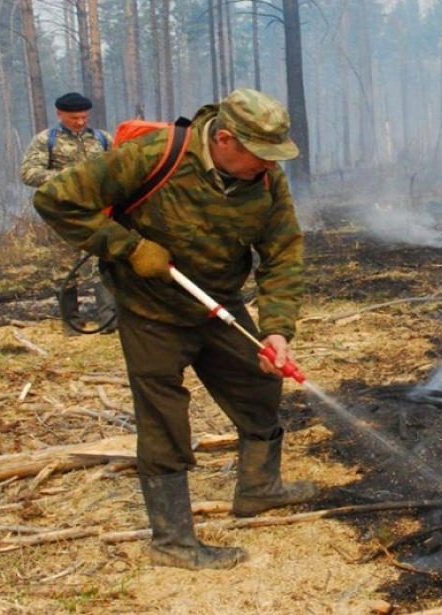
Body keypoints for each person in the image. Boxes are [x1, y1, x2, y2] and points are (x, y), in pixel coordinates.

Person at [32, 89, 317, 570]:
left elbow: (283, 251)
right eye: (260, 157)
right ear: (225, 139)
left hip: (218, 304)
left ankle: (259, 489)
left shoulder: (266, 178)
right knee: (164, 421)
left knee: (258, 387)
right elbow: (55, 199)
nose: (268, 167)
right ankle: (173, 543)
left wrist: (277, 329)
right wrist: (126, 246)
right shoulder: (150, 156)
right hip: (152, 311)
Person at [21, 92, 117, 335]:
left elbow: (119, 166)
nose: (80, 122)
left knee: (104, 262)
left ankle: (109, 321)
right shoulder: (46, 140)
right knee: (64, 265)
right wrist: (68, 177)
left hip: (99, 211)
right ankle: (71, 324)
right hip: (63, 212)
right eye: (75, 117)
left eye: (84, 117)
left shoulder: (102, 138)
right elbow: (29, 173)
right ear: (59, 114)